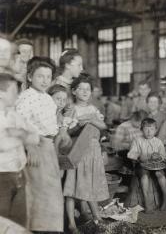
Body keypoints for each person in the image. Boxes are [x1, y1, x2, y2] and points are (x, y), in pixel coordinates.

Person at [15, 57, 65, 232]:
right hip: (36, 147)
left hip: (48, 147)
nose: (45, 80)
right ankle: (38, 229)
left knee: (52, 193)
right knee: (40, 194)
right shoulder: (26, 98)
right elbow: (19, 124)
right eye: (40, 76)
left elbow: (50, 122)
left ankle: (49, 228)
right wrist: (30, 147)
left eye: (48, 76)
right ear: (29, 77)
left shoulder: (47, 97)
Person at [63, 76, 109, 233]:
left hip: (92, 152)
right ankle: (71, 224)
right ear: (74, 91)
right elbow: (66, 133)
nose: (84, 92)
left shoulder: (93, 109)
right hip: (77, 152)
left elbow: (103, 126)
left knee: (89, 185)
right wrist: (77, 126)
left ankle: (97, 217)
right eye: (80, 89)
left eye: (87, 89)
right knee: (71, 188)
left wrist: (90, 119)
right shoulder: (71, 109)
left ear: (91, 92)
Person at [0, 74, 39, 227]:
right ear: (1, 93)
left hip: (19, 174)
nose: (18, 95)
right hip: (2, 177)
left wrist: (19, 133)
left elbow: (35, 137)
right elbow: (2, 145)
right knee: (2, 222)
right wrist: (22, 136)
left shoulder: (15, 116)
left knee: (20, 222)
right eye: (14, 92)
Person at [127, 118, 166, 212]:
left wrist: (158, 156)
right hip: (141, 165)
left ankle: (165, 200)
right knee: (144, 176)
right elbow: (130, 154)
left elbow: (164, 156)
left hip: (156, 166)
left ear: (156, 130)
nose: (149, 132)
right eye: (146, 129)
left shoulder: (158, 142)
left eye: (152, 129)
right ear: (141, 129)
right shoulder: (137, 140)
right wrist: (140, 156)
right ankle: (147, 203)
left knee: (160, 175)